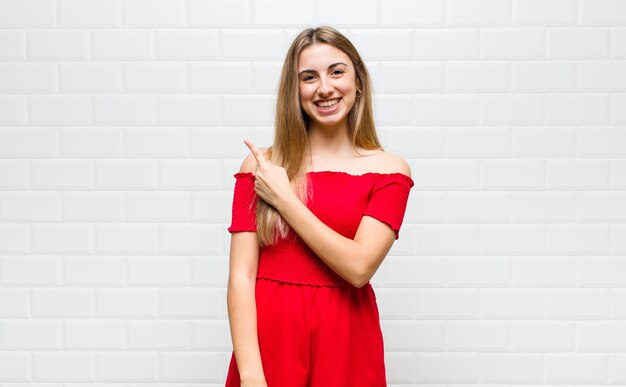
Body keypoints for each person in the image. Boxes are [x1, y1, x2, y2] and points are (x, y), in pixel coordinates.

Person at [225, 26, 414, 387]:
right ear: (294, 91)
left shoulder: (390, 170)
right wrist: (251, 376)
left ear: (358, 80)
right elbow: (240, 277)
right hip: (270, 340)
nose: (324, 88)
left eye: (337, 71)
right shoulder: (260, 166)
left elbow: (359, 267)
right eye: (309, 77)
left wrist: (284, 198)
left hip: (346, 341)